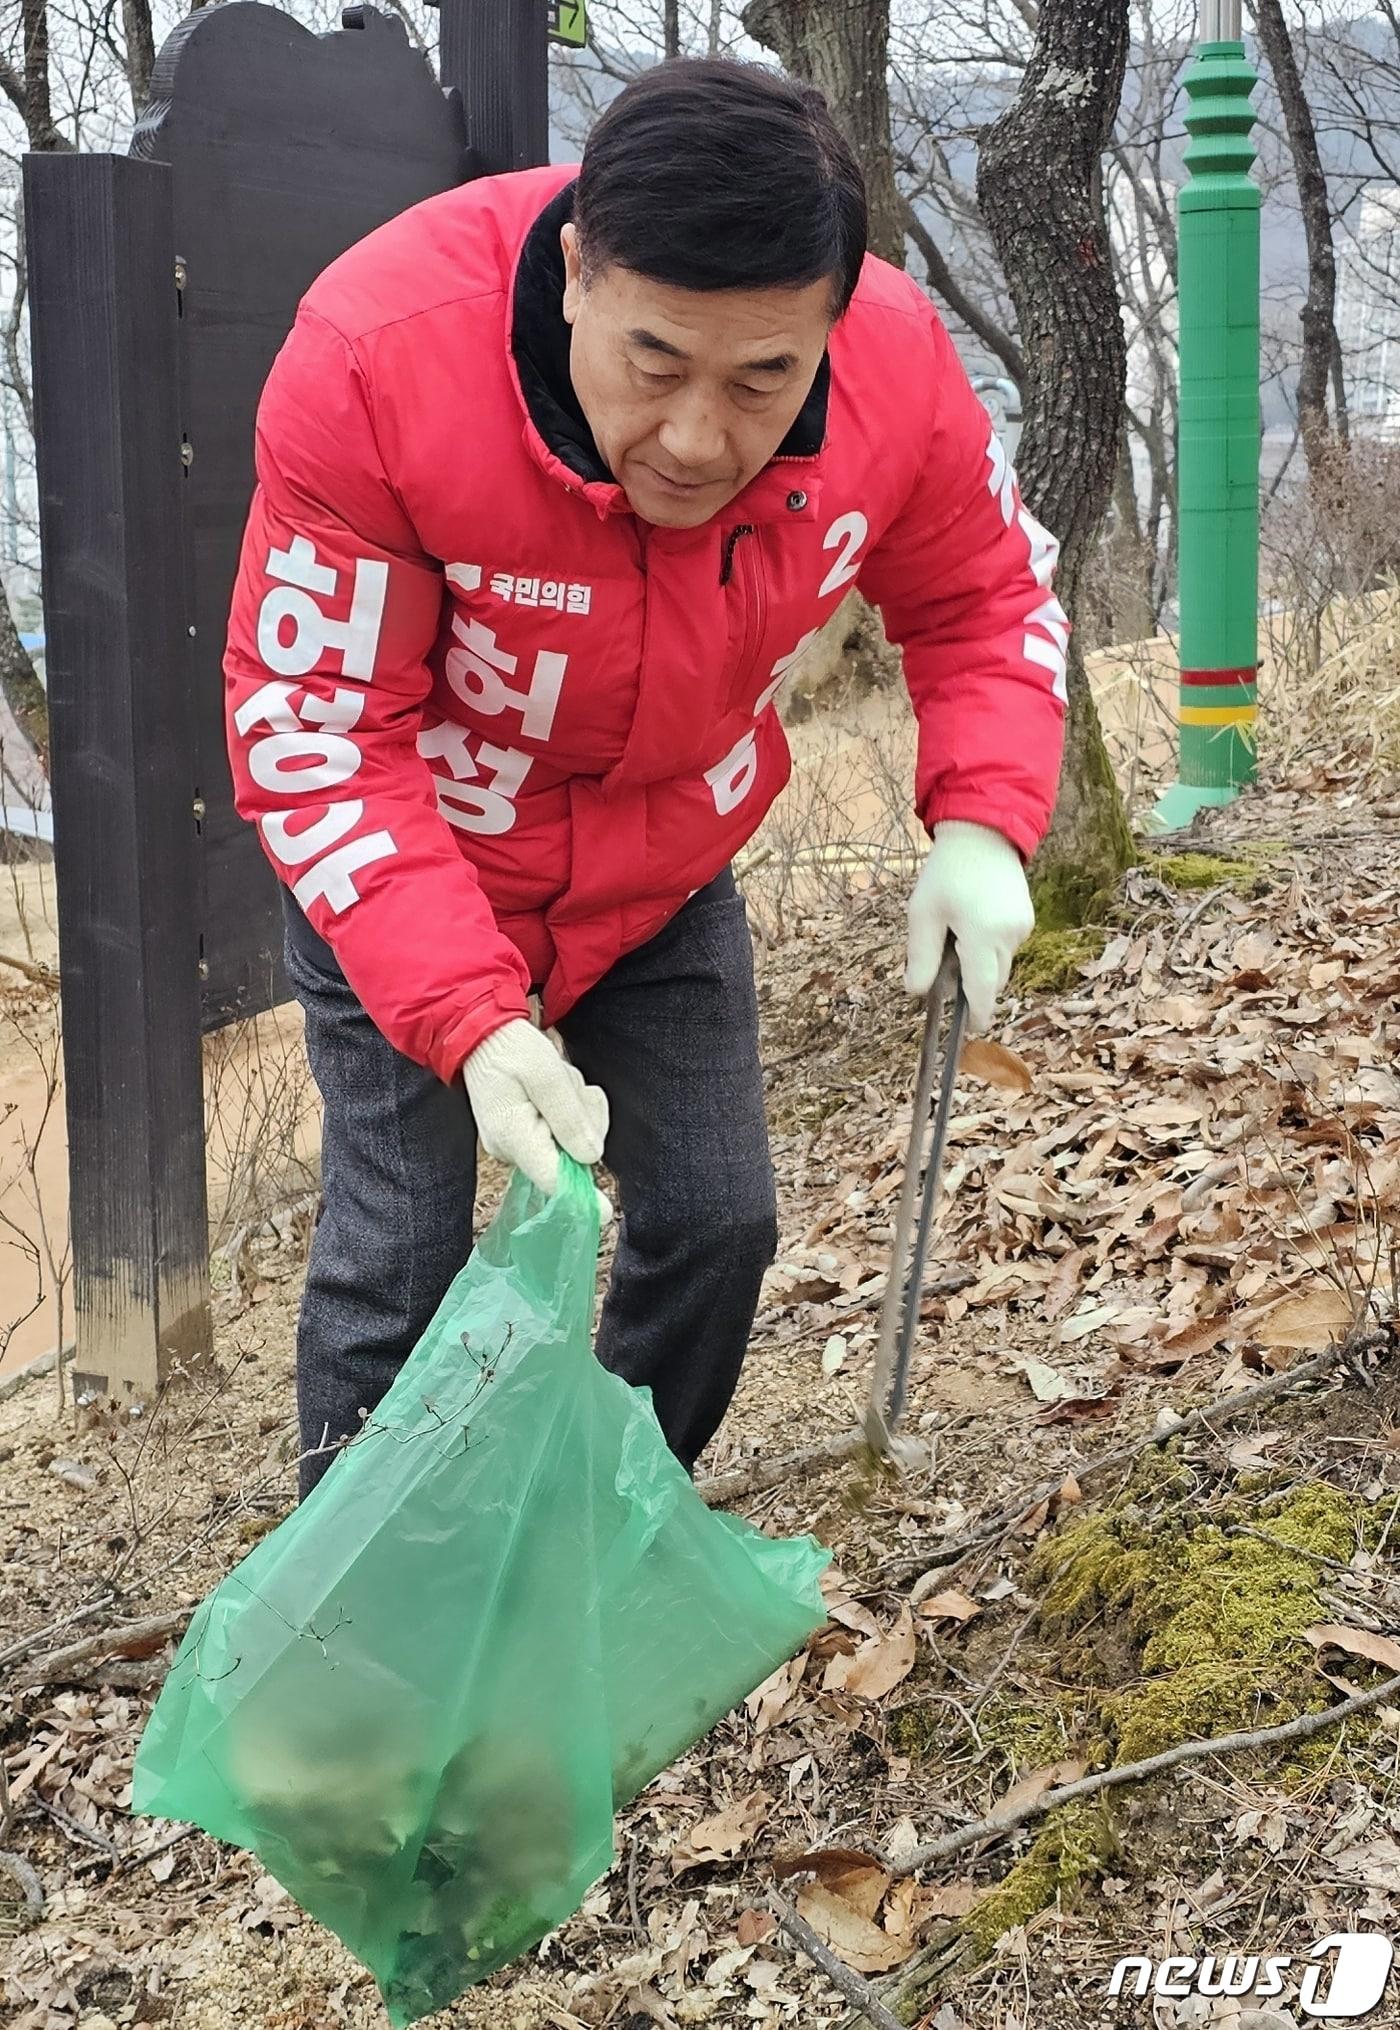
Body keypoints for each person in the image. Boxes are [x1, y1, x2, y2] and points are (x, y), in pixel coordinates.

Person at [224, 57, 1067, 1499]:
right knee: (401, 1258)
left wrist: (987, 819)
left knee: (718, 1220)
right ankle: (355, 1634)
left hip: (667, 863)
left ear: (830, 329)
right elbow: (315, 716)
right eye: (655, 363)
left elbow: (987, 601)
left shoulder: (898, 374)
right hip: (415, 860)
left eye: (762, 381)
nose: (696, 439)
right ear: (575, 275)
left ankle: (603, 1528)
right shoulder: (378, 353)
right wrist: (472, 1020)